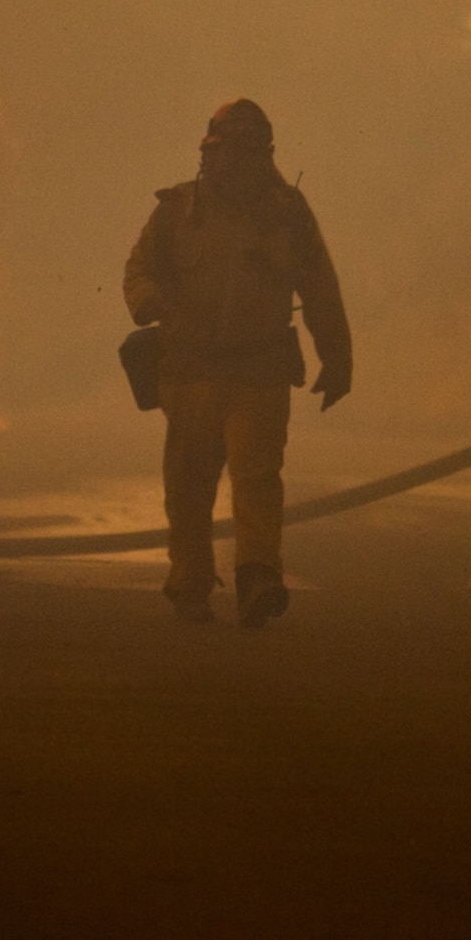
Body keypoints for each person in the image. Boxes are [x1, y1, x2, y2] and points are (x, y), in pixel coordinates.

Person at [122, 99, 351, 627]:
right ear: (209, 152)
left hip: (259, 372)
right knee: (188, 486)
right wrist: (149, 302)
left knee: (257, 479)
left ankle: (256, 577)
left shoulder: (288, 213)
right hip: (189, 372)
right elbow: (138, 268)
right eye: (223, 152)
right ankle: (190, 584)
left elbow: (320, 288)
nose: (231, 165)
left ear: (263, 155)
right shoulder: (177, 211)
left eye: (245, 153)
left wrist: (337, 358)